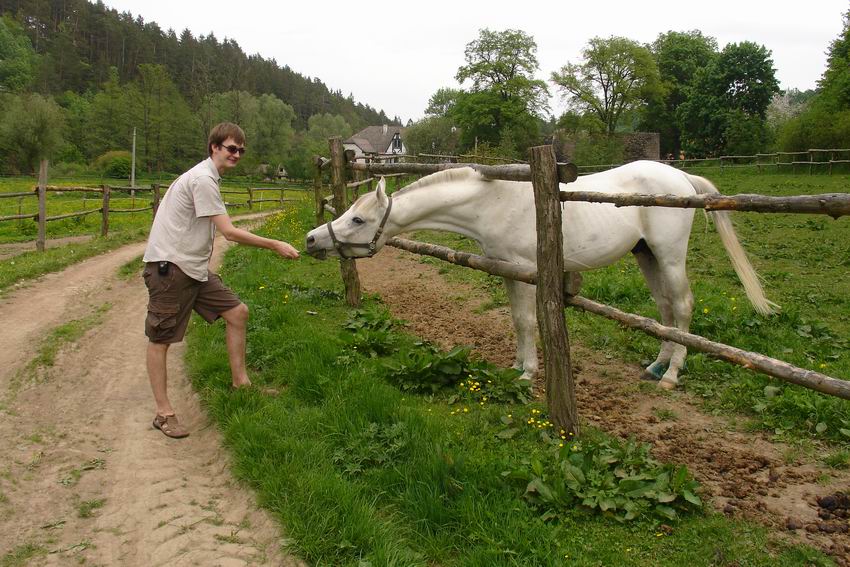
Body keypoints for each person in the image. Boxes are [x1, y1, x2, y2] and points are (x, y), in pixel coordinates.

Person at [142, 122, 299, 439]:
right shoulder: (202, 179)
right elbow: (228, 232)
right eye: (231, 148)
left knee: (237, 312)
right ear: (214, 147)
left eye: (241, 150)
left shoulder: (205, 177)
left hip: (193, 269)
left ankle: (241, 383)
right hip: (170, 269)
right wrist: (274, 244)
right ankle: (164, 413)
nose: (237, 154)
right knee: (161, 339)